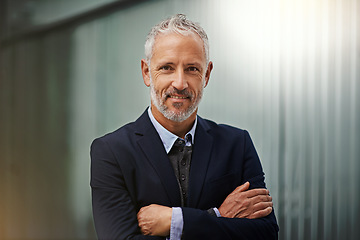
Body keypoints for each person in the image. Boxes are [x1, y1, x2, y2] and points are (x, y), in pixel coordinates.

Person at [90, 14, 279, 240]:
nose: (179, 83)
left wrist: (175, 221)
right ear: (146, 72)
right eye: (167, 67)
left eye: (192, 69)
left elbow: (265, 234)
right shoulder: (111, 152)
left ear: (206, 74)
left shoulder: (237, 144)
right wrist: (218, 215)